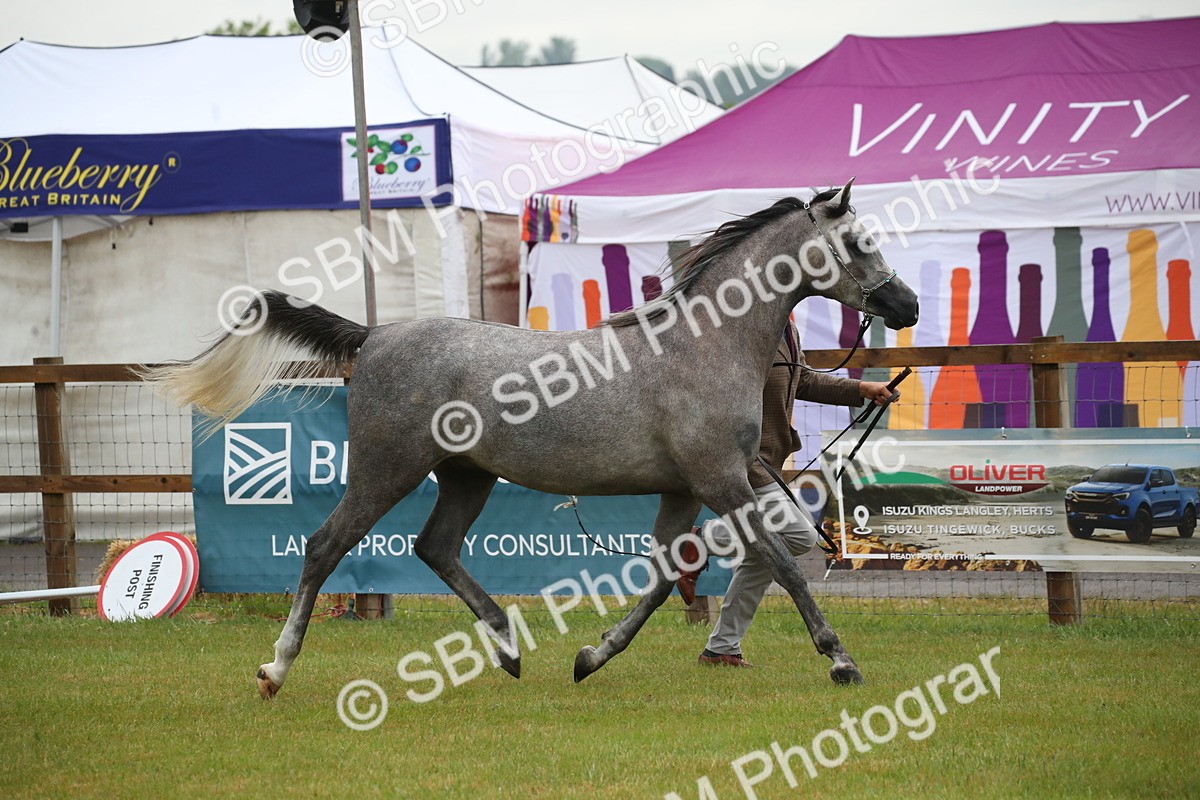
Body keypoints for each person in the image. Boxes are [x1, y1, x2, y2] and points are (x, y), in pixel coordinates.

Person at [677, 320, 896, 667]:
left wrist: (861, 389)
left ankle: (721, 648)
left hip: (769, 457)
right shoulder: (744, 328)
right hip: (744, 459)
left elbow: (804, 380)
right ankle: (703, 541)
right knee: (797, 535)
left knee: (765, 554)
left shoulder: (787, 329)